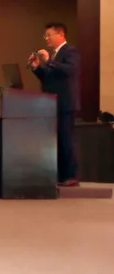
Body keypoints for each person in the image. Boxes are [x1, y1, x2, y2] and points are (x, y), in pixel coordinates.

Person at [29, 22, 81, 186]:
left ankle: (71, 176)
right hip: (52, 103)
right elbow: (49, 78)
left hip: (65, 103)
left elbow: (70, 70)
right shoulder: (55, 55)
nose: (46, 38)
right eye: (45, 35)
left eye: (49, 35)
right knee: (56, 141)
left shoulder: (70, 51)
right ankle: (60, 175)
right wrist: (37, 68)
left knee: (66, 139)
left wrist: (49, 60)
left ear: (61, 34)